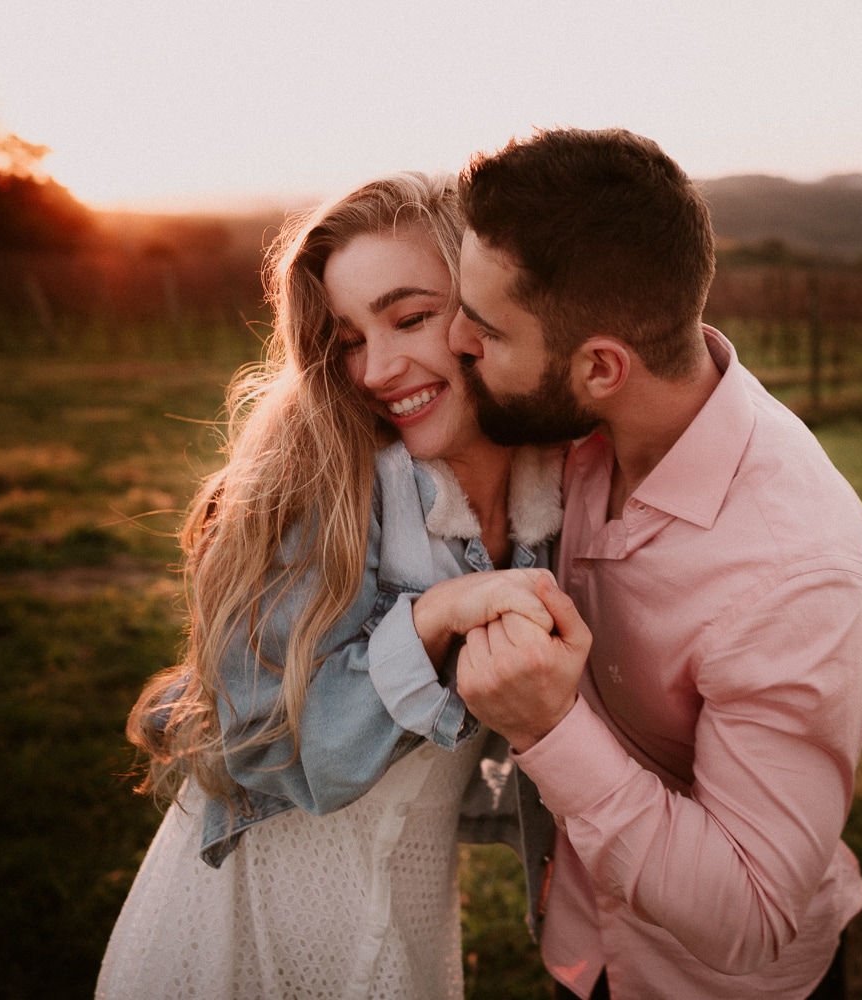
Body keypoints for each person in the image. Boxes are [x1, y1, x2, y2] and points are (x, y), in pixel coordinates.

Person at [445, 128, 862, 999]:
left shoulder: (796, 574)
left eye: (487, 328)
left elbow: (751, 917)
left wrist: (548, 728)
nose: (458, 338)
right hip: (585, 946)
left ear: (600, 367)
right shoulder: (578, 435)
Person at [96, 173, 561, 1000]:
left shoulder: (560, 498)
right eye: (348, 339)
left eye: (410, 317)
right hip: (251, 925)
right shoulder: (318, 484)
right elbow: (265, 746)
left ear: (488, 311)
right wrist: (433, 618)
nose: (377, 369)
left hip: (405, 918)